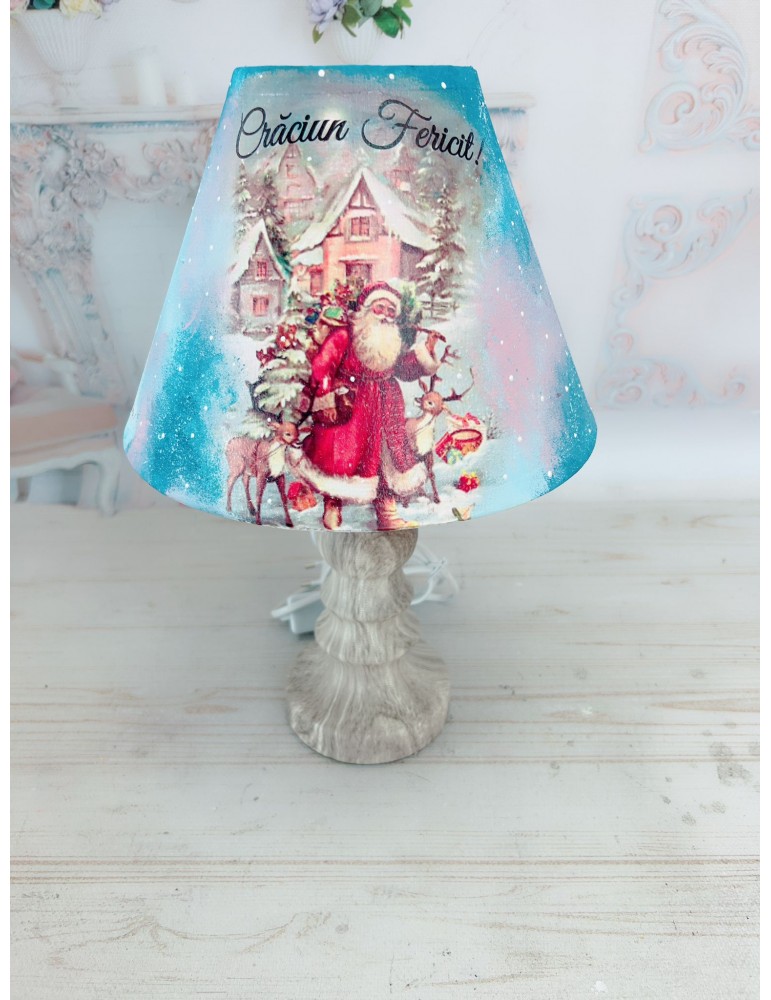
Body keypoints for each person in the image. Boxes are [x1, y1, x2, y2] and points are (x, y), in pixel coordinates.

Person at [290, 281, 442, 530]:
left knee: (387, 460)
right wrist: (326, 398)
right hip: (351, 405)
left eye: (391, 311)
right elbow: (323, 365)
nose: (385, 315)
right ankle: (333, 504)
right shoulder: (346, 335)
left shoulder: (392, 340)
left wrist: (426, 351)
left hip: (385, 406)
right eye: (380, 307)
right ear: (366, 308)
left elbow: (403, 369)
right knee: (340, 458)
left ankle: (386, 511)